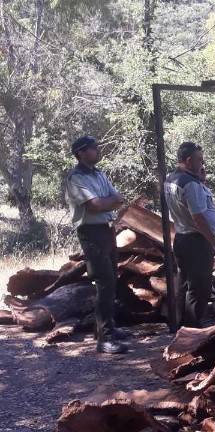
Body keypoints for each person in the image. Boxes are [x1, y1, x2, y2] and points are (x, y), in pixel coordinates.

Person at [65, 135, 128, 354]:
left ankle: (108, 327)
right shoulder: (76, 178)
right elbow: (94, 205)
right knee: (104, 282)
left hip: (106, 229)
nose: (97, 150)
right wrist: (108, 202)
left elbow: (115, 198)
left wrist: (107, 203)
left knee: (111, 278)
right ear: (81, 153)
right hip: (91, 232)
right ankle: (105, 339)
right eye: (92, 148)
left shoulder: (99, 174)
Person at [164, 142, 215, 328]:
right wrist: (214, 244)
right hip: (197, 241)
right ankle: (192, 329)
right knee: (199, 287)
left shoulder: (171, 179)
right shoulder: (190, 184)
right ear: (188, 160)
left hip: (181, 238)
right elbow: (199, 218)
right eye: (199, 159)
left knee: (183, 283)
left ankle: (177, 324)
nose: (202, 163)